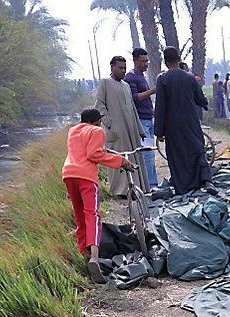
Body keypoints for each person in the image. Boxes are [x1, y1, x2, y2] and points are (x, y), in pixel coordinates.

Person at [62, 108, 133, 284]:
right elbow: (94, 154)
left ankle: (84, 254)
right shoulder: (96, 130)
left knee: (80, 215)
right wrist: (121, 161)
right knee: (92, 214)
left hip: (69, 174)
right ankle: (95, 256)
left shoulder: (73, 130)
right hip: (86, 176)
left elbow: (85, 149)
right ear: (97, 121)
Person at [155, 46, 210, 195]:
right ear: (179, 59)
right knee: (197, 149)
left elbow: (160, 106)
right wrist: (205, 104)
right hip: (190, 121)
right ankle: (204, 181)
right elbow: (200, 99)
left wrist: (159, 131)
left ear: (165, 62)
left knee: (177, 155)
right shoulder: (190, 77)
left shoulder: (162, 79)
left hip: (172, 125)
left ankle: (182, 188)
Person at [95, 55, 148, 197]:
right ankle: (120, 191)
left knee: (134, 157)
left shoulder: (126, 85)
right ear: (112, 67)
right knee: (118, 159)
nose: (123, 71)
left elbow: (132, 108)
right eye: (120, 68)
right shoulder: (105, 82)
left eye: (124, 68)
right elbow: (99, 104)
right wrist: (109, 123)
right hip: (116, 130)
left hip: (131, 130)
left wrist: (140, 129)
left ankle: (136, 189)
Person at [124, 47, 159, 190]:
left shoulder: (141, 76)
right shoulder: (131, 77)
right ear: (135, 60)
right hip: (141, 121)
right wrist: (152, 91)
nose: (146, 64)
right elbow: (134, 98)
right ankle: (150, 185)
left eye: (147, 61)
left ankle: (152, 183)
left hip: (148, 118)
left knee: (150, 153)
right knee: (147, 155)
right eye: (143, 61)